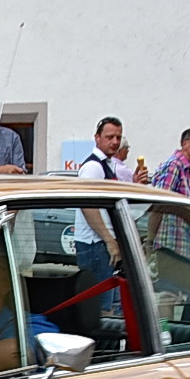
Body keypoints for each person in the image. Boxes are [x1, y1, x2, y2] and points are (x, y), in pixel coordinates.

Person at [69, 117, 126, 287]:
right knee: (101, 305)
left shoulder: (105, 165)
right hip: (95, 243)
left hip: (100, 243)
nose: (115, 142)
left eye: (118, 137)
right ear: (97, 138)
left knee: (107, 304)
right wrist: (109, 240)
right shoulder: (93, 167)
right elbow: (88, 204)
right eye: (110, 137)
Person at [148, 127, 190, 255]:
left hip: (180, 244)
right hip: (168, 246)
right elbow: (159, 204)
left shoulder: (187, 169)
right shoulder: (174, 166)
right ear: (185, 144)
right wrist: (149, 241)